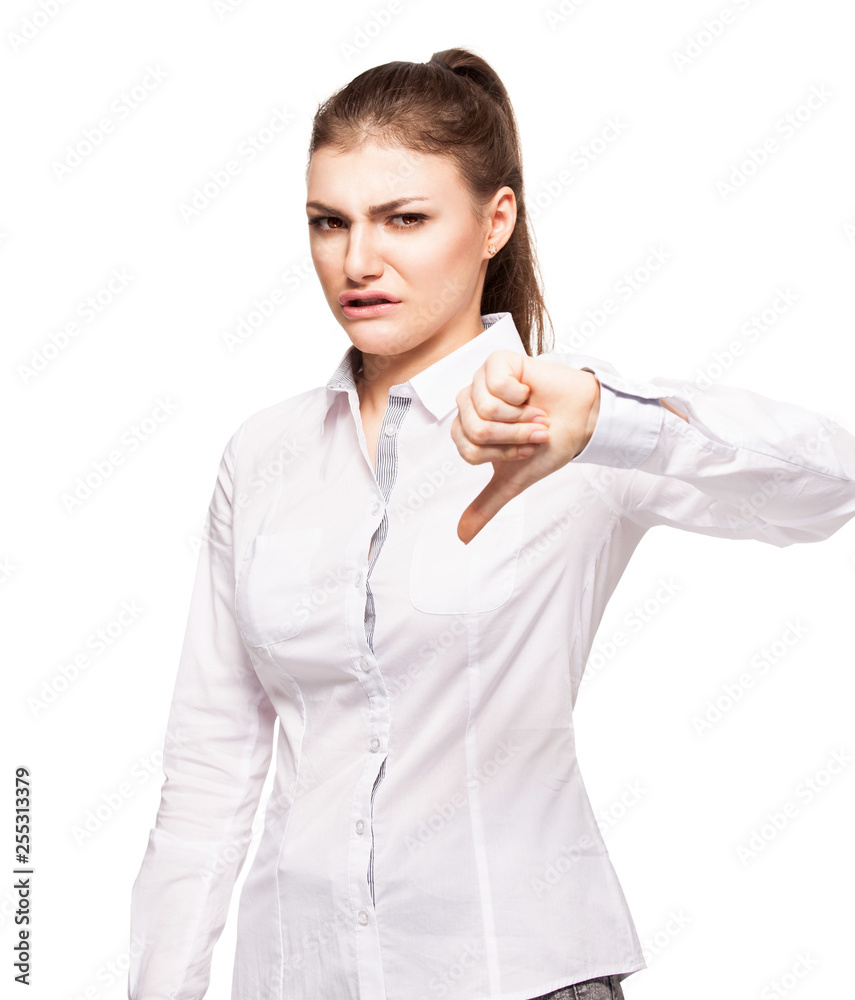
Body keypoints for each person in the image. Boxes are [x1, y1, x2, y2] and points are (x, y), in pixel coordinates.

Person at [128, 47, 855, 1000]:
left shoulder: (565, 423)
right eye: (329, 222)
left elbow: (830, 485)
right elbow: (209, 769)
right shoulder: (263, 455)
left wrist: (611, 421)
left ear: (494, 221)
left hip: (520, 973)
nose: (357, 261)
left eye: (404, 219)